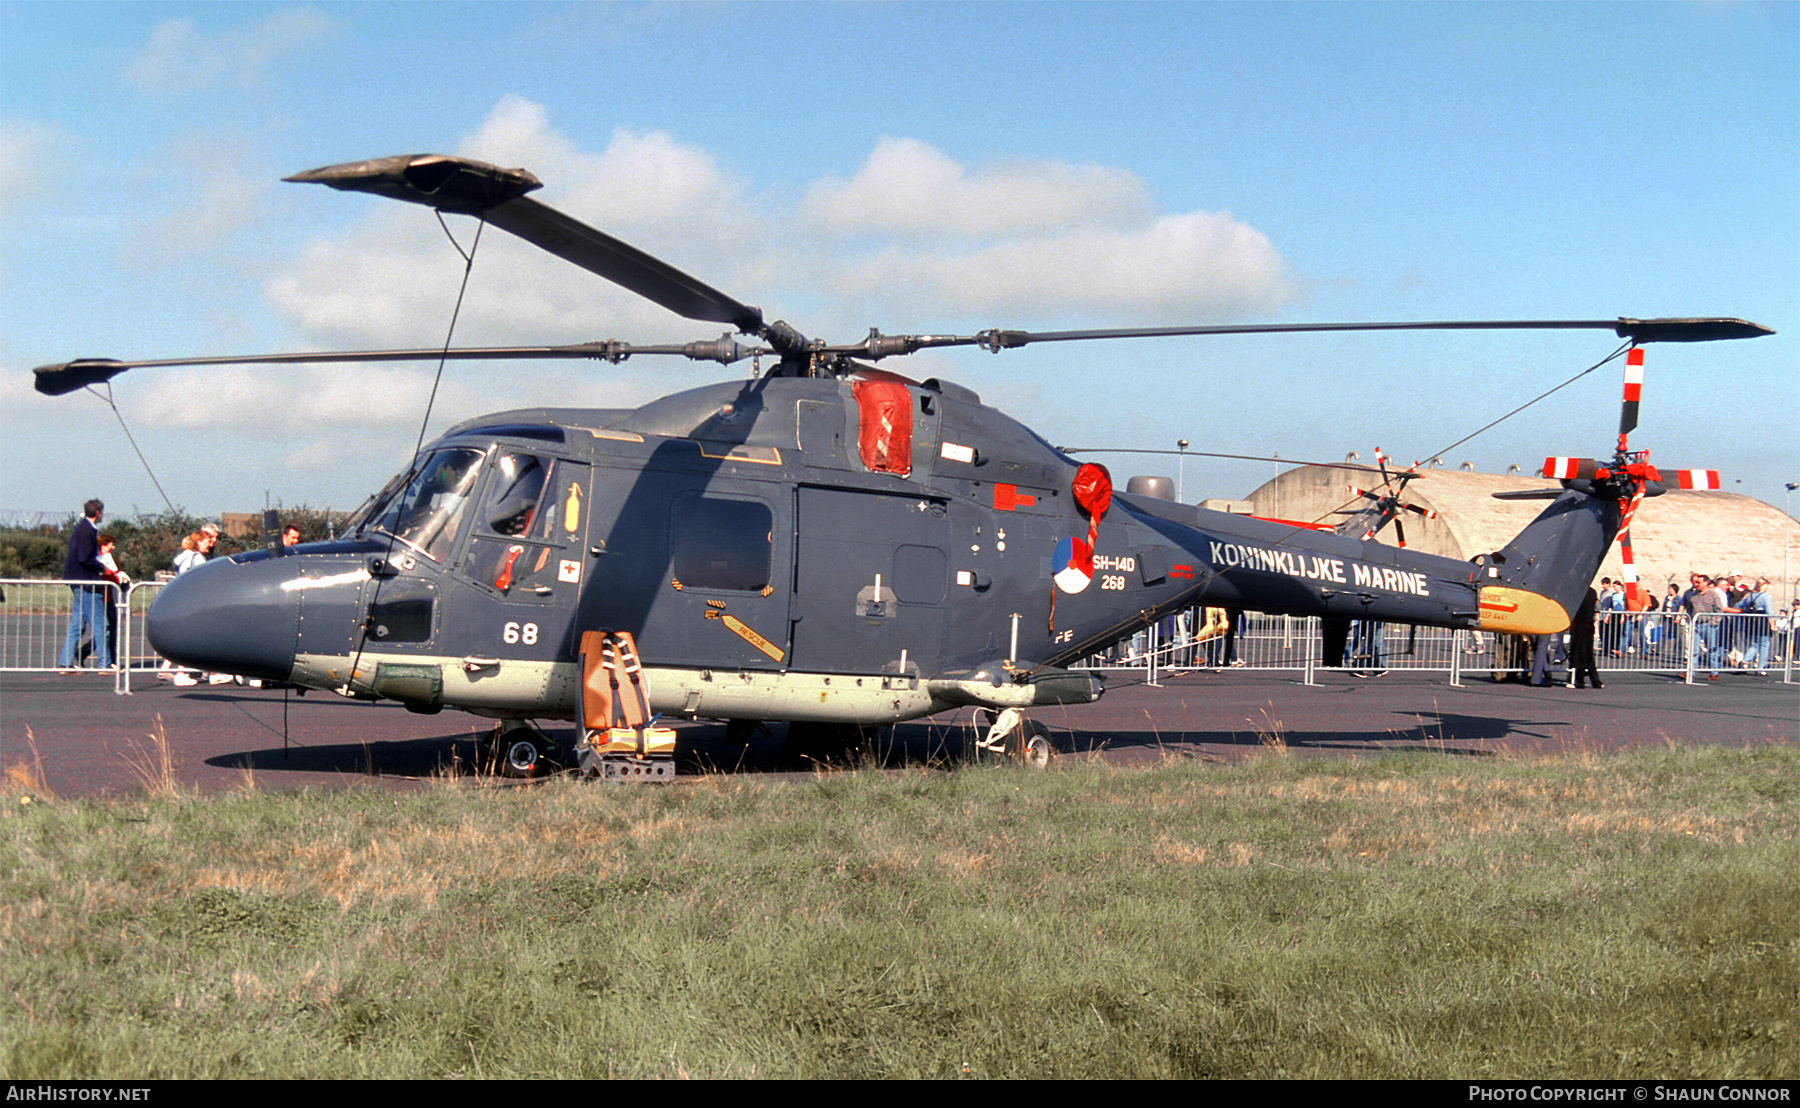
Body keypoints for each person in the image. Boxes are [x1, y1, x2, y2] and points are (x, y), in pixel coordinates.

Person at [56, 499, 112, 673]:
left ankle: (65, 662)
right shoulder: (88, 530)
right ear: (97, 513)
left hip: (76, 580)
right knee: (100, 625)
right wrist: (103, 568)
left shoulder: (81, 527)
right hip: (87, 582)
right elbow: (84, 558)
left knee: (77, 624)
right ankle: (105, 664)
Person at [1568, 586, 1602, 689]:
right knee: (1588, 655)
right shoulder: (1592, 592)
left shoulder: (1578, 591)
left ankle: (1579, 680)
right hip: (1588, 625)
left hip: (1579, 626)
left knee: (1579, 653)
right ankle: (1595, 681)